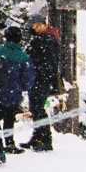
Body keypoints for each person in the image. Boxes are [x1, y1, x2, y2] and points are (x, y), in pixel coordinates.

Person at [0, 25, 34, 162]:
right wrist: (23, 87)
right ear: (20, 40)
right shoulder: (23, 57)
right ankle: (9, 143)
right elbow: (28, 78)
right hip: (13, 92)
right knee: (9, 120)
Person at [25, 18, 62, 152]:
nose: (34, 29)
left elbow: (42, 60)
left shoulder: (45, 40)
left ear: (42, 25)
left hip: (41, 78)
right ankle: (38, 137)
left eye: (35, 26)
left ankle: (44, 139)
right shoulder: (48, 39)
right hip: (42, 78)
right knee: (36, 108)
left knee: (37, 108)